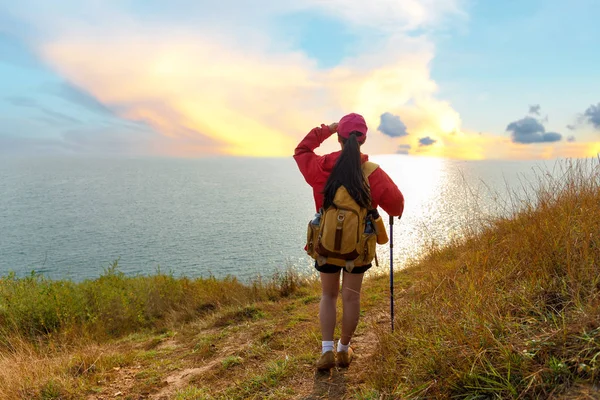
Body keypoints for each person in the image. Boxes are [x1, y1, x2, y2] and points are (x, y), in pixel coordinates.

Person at [294, 113, 404, 371]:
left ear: (340, 138)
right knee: (351, 298)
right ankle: (344, 350)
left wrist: (326, 130)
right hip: (358, 249)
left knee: (328, 295)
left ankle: (326, 351)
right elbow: (397, 205)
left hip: (326, 244)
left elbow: (301, 150)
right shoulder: (372, 173)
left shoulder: (321, 167)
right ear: (363, 139)